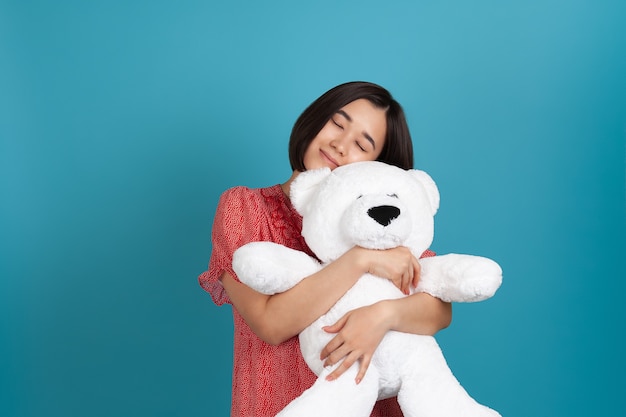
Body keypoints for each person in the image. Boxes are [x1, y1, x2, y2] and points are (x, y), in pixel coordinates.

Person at [198, 81, 452, 417]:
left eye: (363, 144)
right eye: (337, 123)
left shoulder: (376, 223)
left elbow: (438, 307)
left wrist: (382, 316)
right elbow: (271, 324)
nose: (340, 145)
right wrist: (361, 260)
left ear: (378, 164)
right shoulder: (244, 208)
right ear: (315, 119)